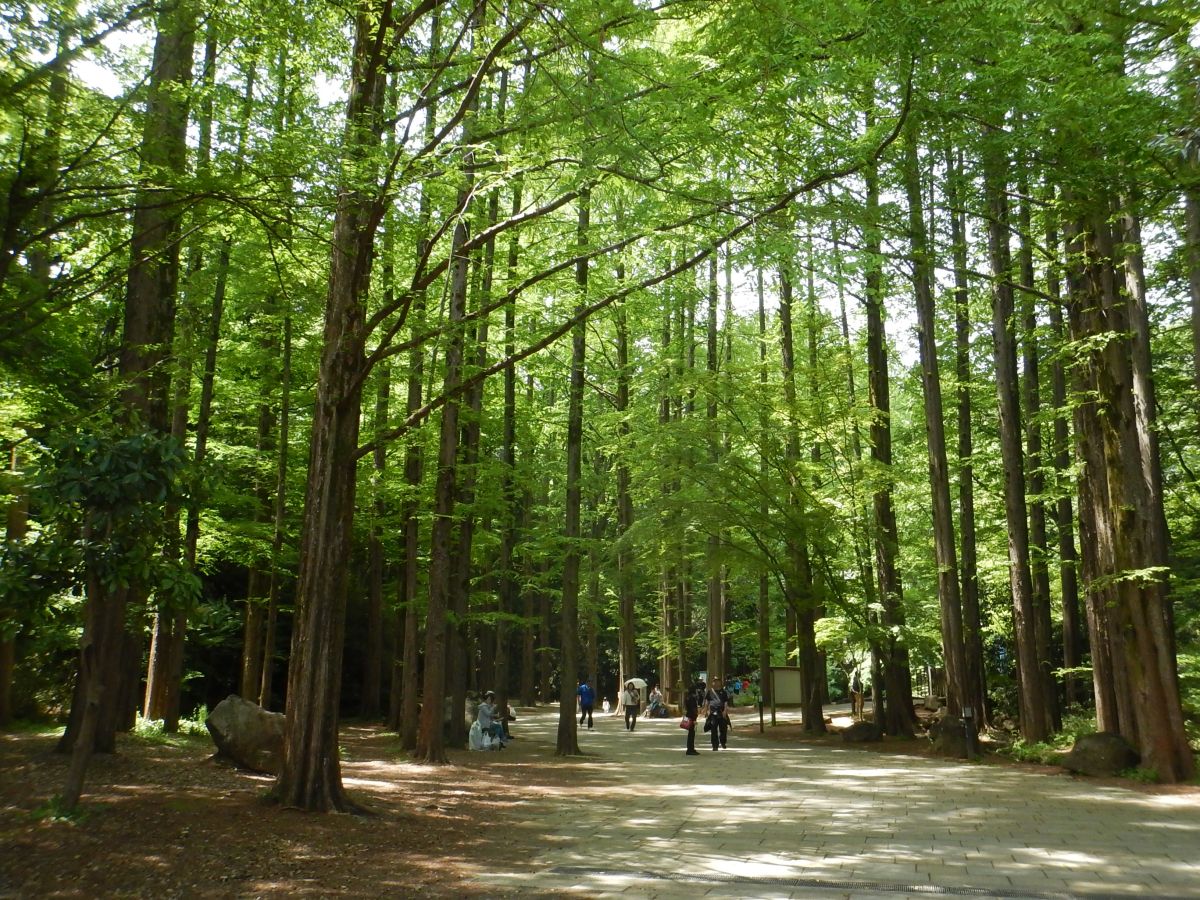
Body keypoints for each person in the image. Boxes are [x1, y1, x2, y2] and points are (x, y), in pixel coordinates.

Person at [705, 681, 730, 751]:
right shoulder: (710, 692)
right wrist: (706, 711)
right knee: (713, 729)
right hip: (713, 713)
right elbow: (707, 702)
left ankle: (723, 742)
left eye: (717, 681)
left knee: (723, 729)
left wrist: (725, 711)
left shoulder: (724, 692)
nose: (715, 683)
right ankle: (715, 745)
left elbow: (725, 702)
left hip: (721, 712)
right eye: (714, 681)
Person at [683, 680, 701, 755]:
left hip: (688, 715)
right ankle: (690, 749)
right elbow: (693, 708)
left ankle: (691, 748)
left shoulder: (687, 697)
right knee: (691, 733)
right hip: (692, 716)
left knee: (691, 733)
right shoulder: (692, 698)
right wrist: (695, 716)